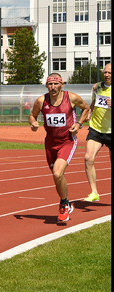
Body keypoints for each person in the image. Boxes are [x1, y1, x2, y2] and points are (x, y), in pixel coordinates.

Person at [29, 73, 91, 222]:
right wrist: (33, 123)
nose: (53, 87)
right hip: (50, 143)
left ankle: (63, 205)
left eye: (56, 84)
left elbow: (86, 108)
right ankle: (66, 200)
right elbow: (32, 115)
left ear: (62, 85)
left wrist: (79, 124)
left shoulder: (71, 98)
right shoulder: (41, 100)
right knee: (57, 177)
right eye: (50, 84)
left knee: (57, 173)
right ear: (46, 86)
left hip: (67, 141)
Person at [84, 63, 111, 202]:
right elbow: (95, 101)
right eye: (105, 72)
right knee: (89, 158)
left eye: (109, 73)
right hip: (96, 128)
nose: (106, 75)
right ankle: (94, 192)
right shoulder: (97, 86)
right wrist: (90, 111)